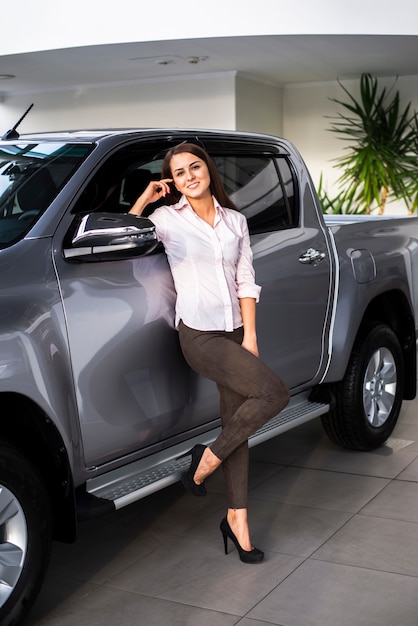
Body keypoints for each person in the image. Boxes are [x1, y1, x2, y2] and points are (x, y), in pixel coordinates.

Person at [129, 143, 289, 563]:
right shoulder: (166, 219)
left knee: (237, 424)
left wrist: (250, 336)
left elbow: (245, 278)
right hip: (199, 335)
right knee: (275, 395)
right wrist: (145, 199)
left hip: (236, 331)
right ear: (174, 183)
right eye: (179, 173)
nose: (189, 176)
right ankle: (204, 460)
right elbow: (129, 238)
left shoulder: (235, 220)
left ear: (207, 169)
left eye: (194, 167)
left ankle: (237, 520)